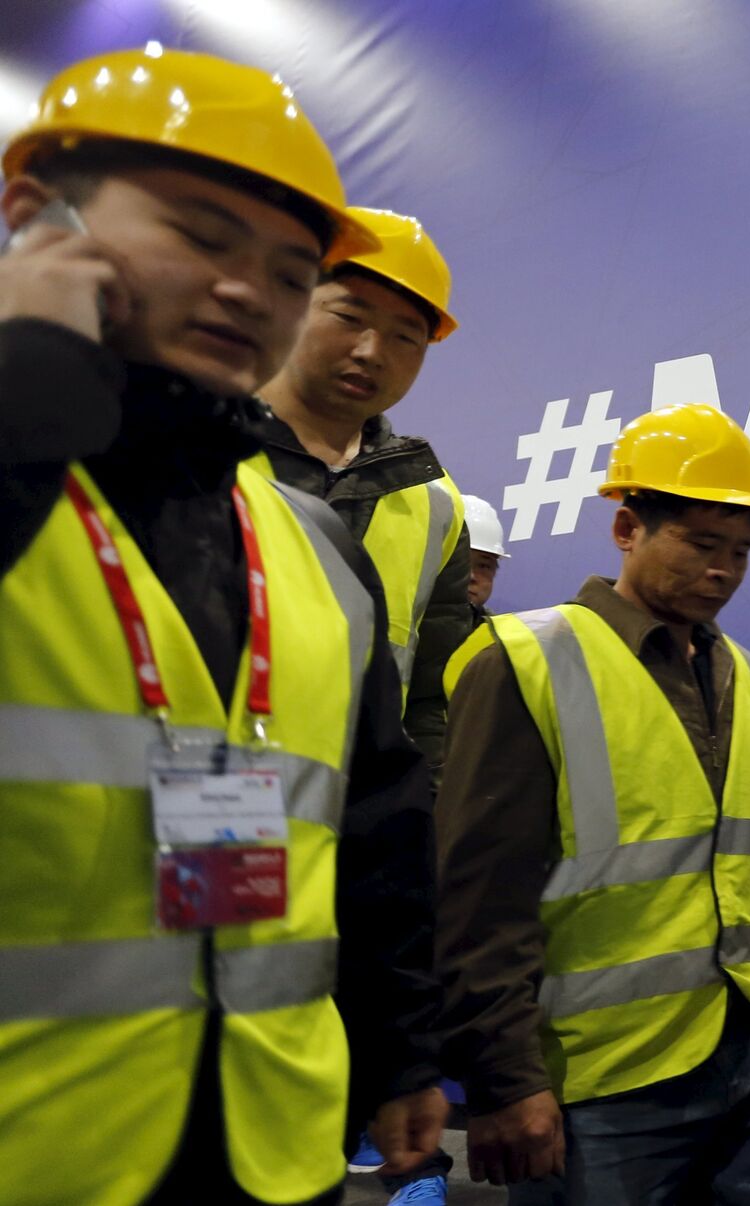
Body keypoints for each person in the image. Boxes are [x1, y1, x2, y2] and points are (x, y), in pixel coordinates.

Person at [0, 47, 444, 1206]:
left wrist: (401, 1049)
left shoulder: (312, 544)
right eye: (202, 236)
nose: (250, 292)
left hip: (271, 1141)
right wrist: (30, 380)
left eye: (291, 273)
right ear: (35, 218)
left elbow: (375, 819)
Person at [435, 403, 750, 1204]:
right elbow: (478, 895)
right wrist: (504, 1077)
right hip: (607, 1074)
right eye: (701, 544)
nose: (723, 570)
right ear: (627, 528)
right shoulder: (529, 662)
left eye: (740, 551)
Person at [252, 206, 468, 775]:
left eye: (406, 337)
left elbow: (432, 699)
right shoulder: (198, 435)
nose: (373, 351)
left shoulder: (435, 501)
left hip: (347, 815)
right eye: (349, 317)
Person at [463, 493, 510, 616]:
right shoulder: (414, 619)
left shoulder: (498, 628)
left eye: (483, 566)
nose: (471, 576)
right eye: (460, 563)